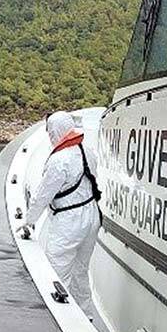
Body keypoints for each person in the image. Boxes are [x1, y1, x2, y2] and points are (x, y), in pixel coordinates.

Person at [16, 111, 101, 305]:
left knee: (56, 271)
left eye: (50, 131)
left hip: (69, 222)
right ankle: (85, 315)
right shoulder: (87, 152)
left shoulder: (59, 160)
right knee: (81, 271)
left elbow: (43, 195)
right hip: (92, 217)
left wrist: (29, 221)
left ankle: (58, 316)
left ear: (55, 131)